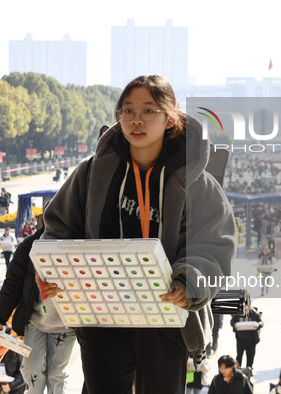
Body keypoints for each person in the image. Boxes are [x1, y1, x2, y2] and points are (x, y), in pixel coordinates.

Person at [40, 75, 237, 394]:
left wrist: (190, 281)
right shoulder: (91, 173)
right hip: (101, 313)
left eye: (148, 110)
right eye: (128, 110)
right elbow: (59, 227)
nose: (136, 119)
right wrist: (53, 270)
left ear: (170, 117)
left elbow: (214, 245)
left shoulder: (198, 183)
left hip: (165, 316)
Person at [0, 216, 76, 394]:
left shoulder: (78, 243)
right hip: (35, 321)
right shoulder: (29, 246)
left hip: (66, 324)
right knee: (31, 369)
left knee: (57, 374)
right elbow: (13, 282)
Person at [230, 302, 263, 369]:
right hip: (240, 338)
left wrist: (258, 324)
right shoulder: (238, 312)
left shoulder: (254, 313)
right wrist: (234, 325)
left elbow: (261, 322)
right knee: (239, 355)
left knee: (250, 355)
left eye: (247, 305)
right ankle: (238, 369)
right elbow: (232, 321)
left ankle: (249, 369)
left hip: (251, 339)